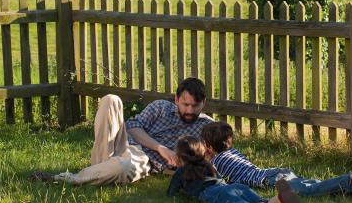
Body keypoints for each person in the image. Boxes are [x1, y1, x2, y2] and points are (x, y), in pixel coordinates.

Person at [30, 77, 214, 186]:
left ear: (203, 103)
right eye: (185, 104)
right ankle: (101, 166)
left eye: (195, 106)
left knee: (122, 167)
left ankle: (64, 179)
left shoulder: (207, 128)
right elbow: (132, 127)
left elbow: (212, 159)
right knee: (111, 100)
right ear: (176, 99)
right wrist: (161, 148)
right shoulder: (160, 107)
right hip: (124, 144)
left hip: (144, 161)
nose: (189, 110)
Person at [201, 121, 352, 198]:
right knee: (312, 184)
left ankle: (351, 180)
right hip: (275, 172)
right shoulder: (234, 152)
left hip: (271, 180)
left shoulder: (217, 162)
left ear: (209, 146)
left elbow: (217, 180)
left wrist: (207, 160)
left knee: (308, 191)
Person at [168, 136, 317, 203]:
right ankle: (279, 199)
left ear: (180, 157)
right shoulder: (209, 165)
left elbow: (171, 193)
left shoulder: (182, 171)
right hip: (234, 187)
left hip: (215, 193)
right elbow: (220, 179)